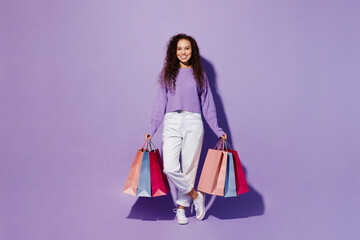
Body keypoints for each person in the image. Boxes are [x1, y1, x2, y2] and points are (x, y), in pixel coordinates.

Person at [145, 33, 226, 225]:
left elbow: (208, 106)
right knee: (170, 168)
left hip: (194, 122)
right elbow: (160, 104)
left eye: (187, 48)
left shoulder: (200, 75)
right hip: (172, 121)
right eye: (179, 49)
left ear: (193, 51)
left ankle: (181, 208)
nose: (183, 52)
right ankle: (196, 196)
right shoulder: (168, 74)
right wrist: (152, 128)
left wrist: (218, 129)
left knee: (189, 167)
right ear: (174, 51)